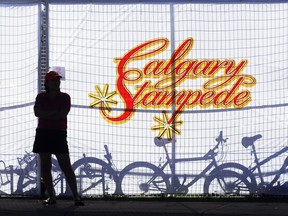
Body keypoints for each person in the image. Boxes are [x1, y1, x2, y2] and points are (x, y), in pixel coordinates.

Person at [33, 70, 84, 206]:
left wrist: (46, 114)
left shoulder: (65, 97)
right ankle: (52, 197)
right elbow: (37, 112)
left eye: (58, 80)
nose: (57, 82)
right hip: (43, 133)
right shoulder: (41, 97)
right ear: (47, 83)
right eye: (54, 80)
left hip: (58, 133)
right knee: (45, 166)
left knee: (66, 165)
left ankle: (76, 197)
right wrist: (54, 113)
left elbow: (61, 114)